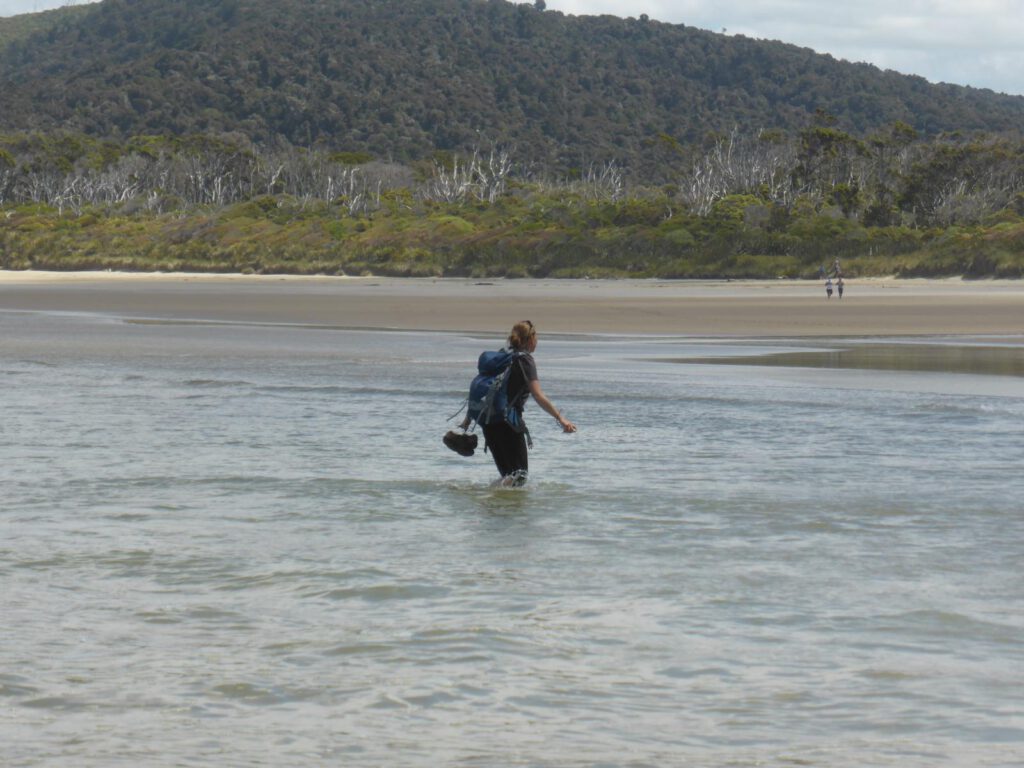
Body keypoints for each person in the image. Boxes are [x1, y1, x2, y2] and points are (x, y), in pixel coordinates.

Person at [463, 320, 576, 487]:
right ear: (530, 339)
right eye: (536, 338)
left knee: (508, 476)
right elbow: (538, 395)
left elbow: (486, 391)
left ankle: (490, 502)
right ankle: (495, 499)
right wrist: (560, 418)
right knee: (520, 475)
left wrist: (468, 419)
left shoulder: (502, 358)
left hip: (488, 423)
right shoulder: (525, 361)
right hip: (509, 422)